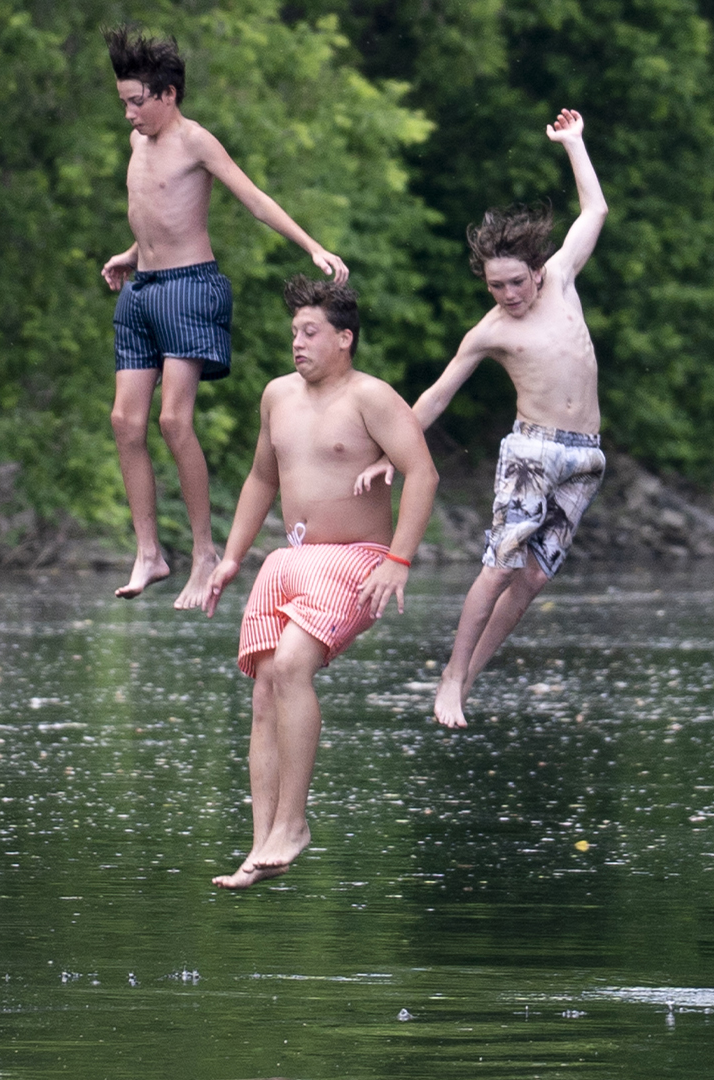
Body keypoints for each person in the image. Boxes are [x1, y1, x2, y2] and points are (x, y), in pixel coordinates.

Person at [357, 109, 607, 730]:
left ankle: (465, 681)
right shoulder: (491, 330)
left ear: (537, 271)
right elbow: (438, 394)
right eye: (496, 286)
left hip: (586, 455)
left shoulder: (564, 281)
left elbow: (595, 210)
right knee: (499, 565)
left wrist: (574, 144)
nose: (508, 296)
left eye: (516, 283)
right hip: (533, 450)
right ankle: (450, 677)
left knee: (532, 581)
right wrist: (394, 452)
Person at [102, 25, 349, 609]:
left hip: (191, 288)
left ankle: (204, 550)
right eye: (124, 104)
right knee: (123, 421)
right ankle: (148, 552)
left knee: (173, 422)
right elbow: (155, 211)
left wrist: (311, 246)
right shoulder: (138, 145)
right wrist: (130, 254)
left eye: (138, 102)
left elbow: (254, 199)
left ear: (168, 95)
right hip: (142, 290)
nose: (130, 115)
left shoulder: (195, 142)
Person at [202, 276, 436, 889]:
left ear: (344, 338)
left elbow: (423, 473)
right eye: (294, 334)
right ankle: (261, 844)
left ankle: (295, 824)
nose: (298, 344)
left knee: (291, 667)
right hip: (289, 560)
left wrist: (400, 560)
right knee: (262, 692)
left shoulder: (372, 397)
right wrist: (231, 558)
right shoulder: (276, 395)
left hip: (355, 556)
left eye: (310, 333)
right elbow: (260, 479)